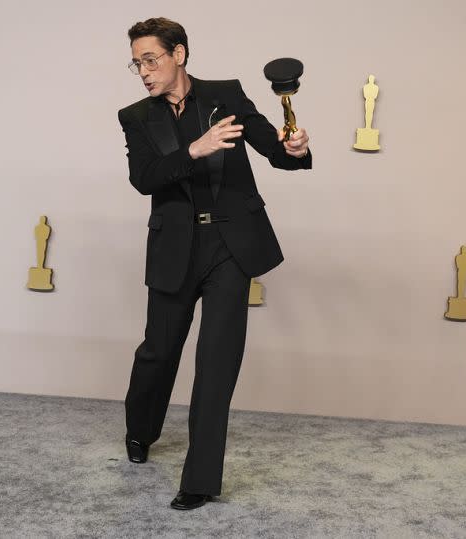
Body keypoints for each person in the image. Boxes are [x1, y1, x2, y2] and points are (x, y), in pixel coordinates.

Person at [118, 17, 312, 511]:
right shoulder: (136, 116)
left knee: (217, 362)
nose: (143, 71)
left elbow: (272, 147)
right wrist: (194, 149)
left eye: (151, 59)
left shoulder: (227, 95)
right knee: (158, 352)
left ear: (179, 54)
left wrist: (295, 149)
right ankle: (141, 429)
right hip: (174, 248)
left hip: (230, 245)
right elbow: (145, 178)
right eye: (136, 62)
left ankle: (200, 480)